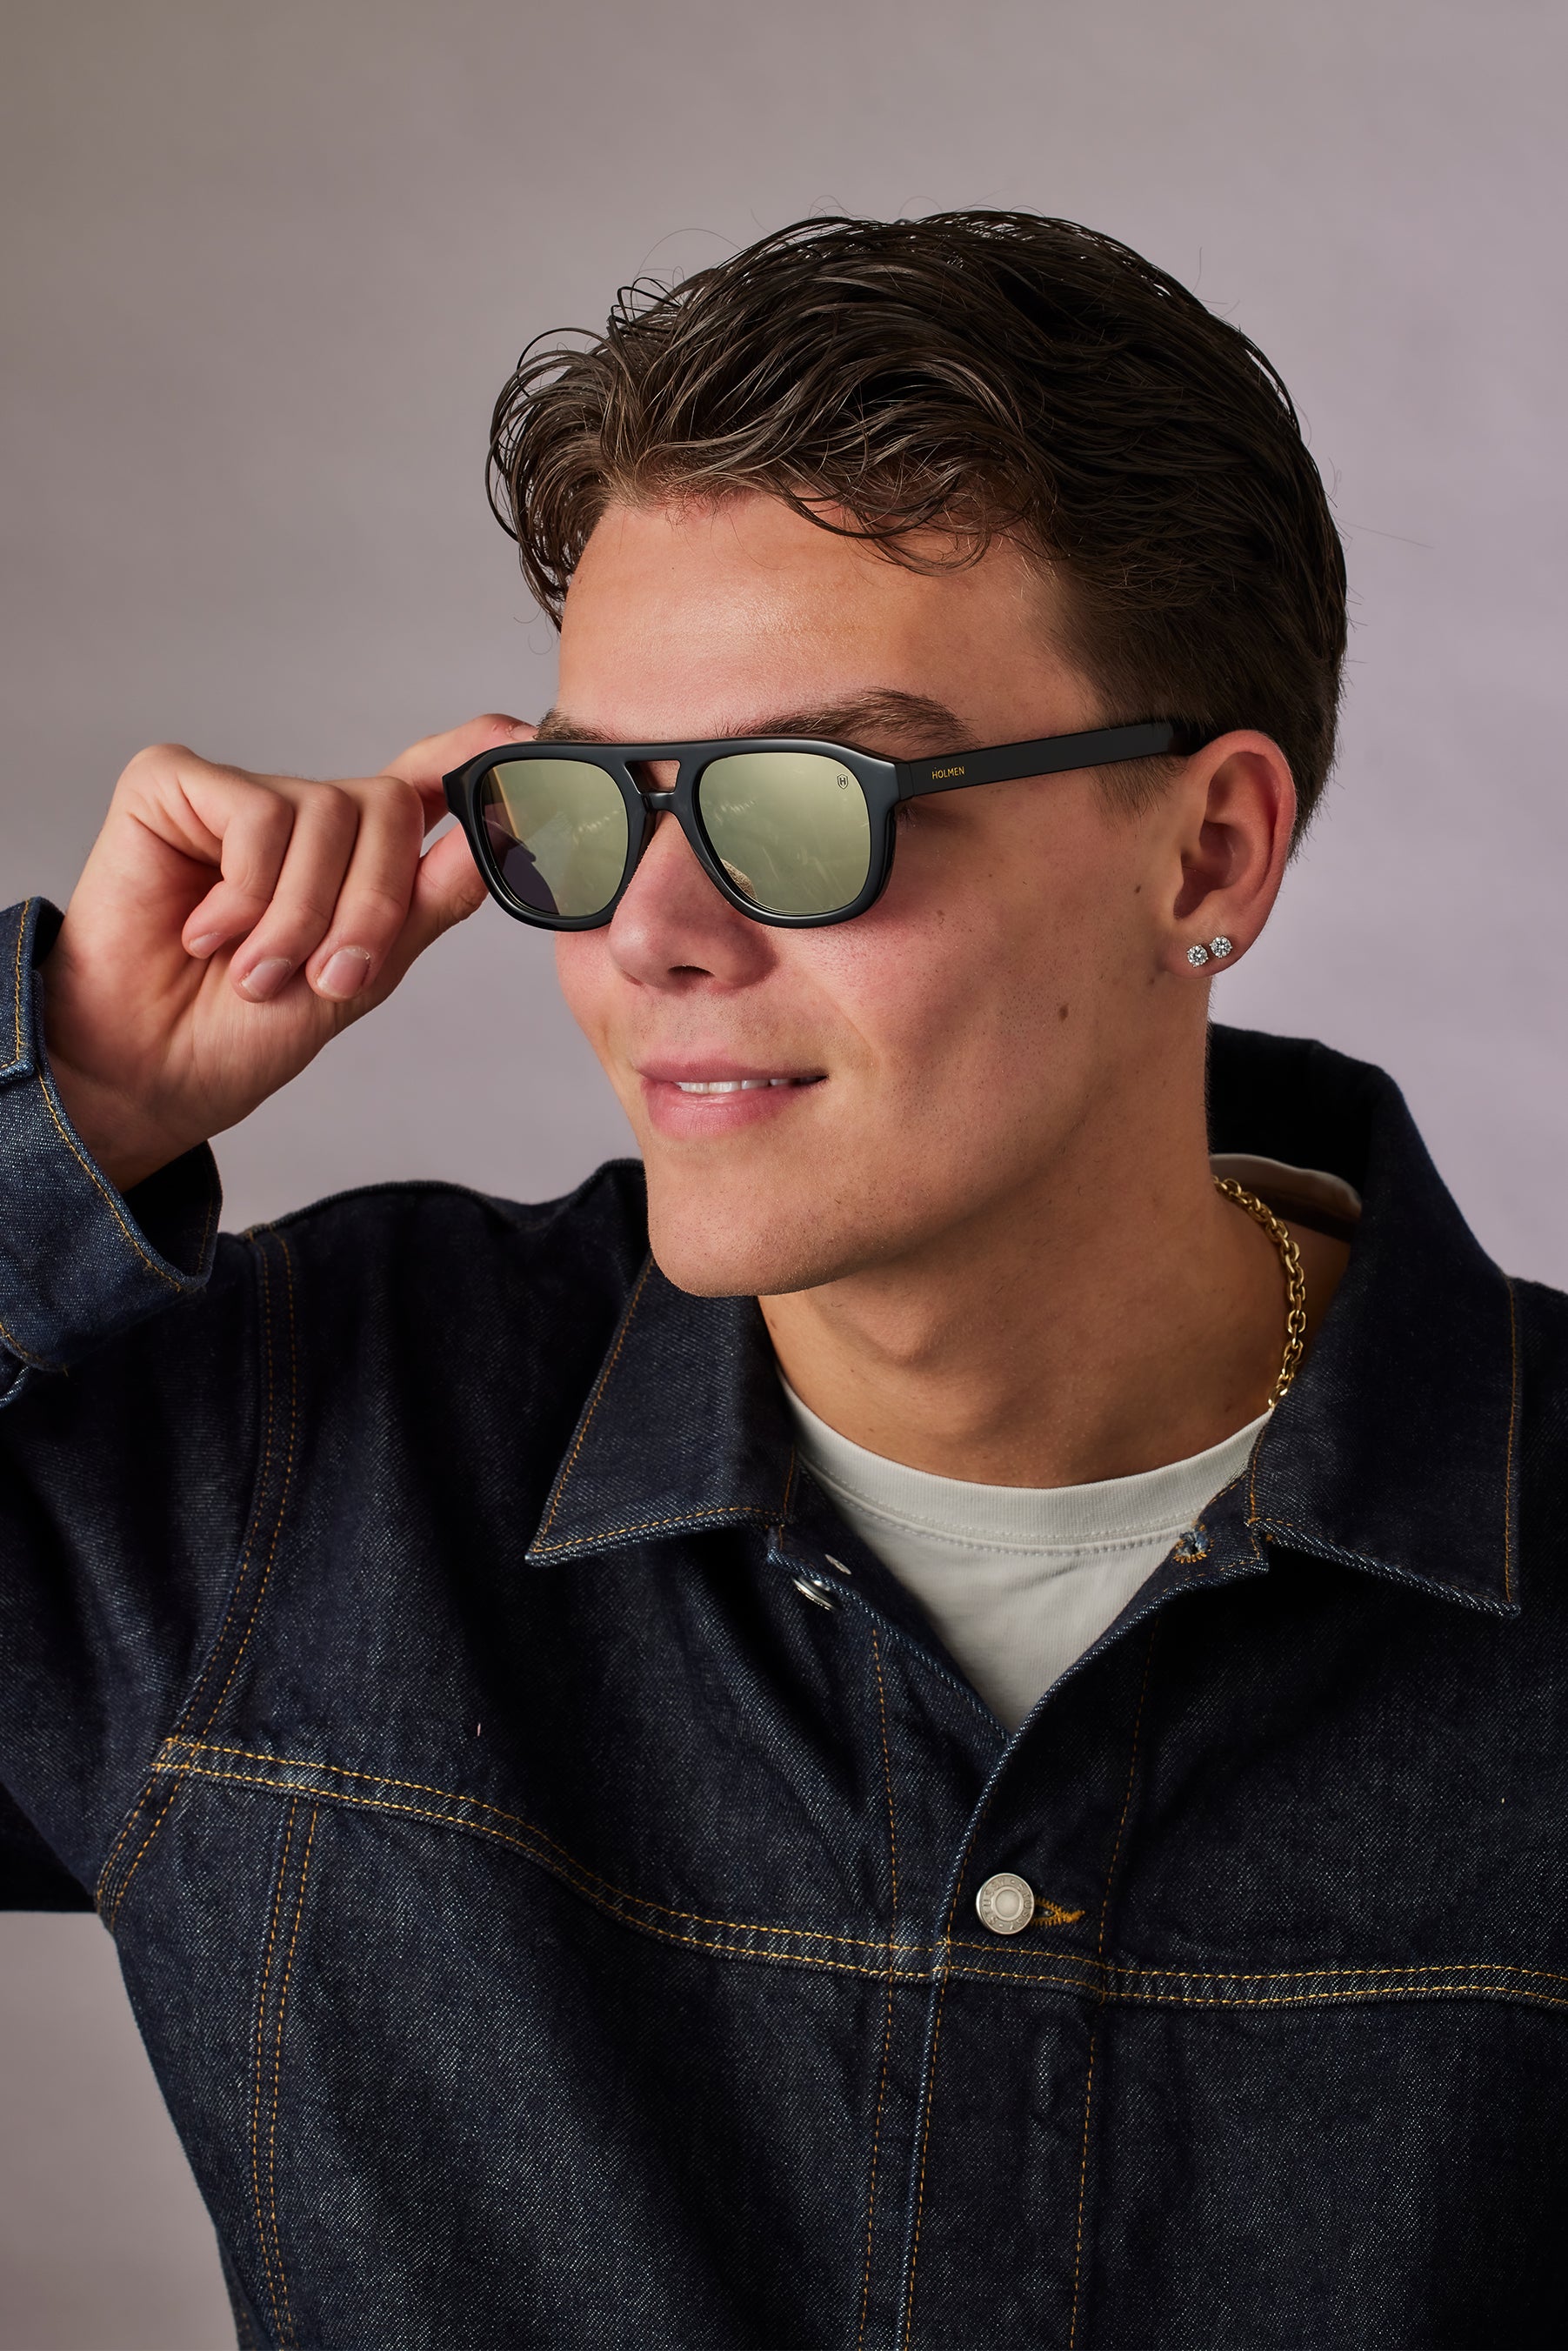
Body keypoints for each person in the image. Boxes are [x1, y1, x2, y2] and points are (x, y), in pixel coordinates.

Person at [2, 210, 1563, 2351]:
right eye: (591, 799)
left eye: (800, 803)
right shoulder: (292, 1467)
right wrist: (60, 1105)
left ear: (1205, 852)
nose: (647, 931)